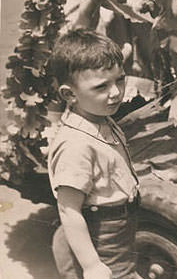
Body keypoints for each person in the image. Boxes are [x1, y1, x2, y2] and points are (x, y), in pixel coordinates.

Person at [47, 29, 140, 279]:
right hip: (102, 235)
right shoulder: (76, 146)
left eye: (120, 79)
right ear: (69, 94)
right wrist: (91, 265)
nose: (116, 92)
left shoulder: (102, 119)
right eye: (102, 86)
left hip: (121, 227)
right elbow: (69, 210)